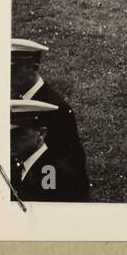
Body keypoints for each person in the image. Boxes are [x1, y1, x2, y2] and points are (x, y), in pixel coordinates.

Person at [10, 38, 89, 194]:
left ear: (34, 67)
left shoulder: (56, 110)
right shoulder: (17, 98)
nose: (7, 75)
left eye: (14, 69)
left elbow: (69, 165)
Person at [10, 99, 89, 203]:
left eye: (19, 134)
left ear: (41, 133)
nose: (10, 140)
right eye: (9, 134)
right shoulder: (16, 166)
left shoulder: (61, 177)